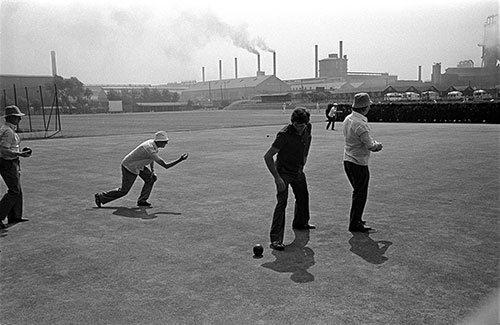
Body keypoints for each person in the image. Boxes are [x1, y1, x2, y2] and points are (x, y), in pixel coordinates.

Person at [264, 107, 315, 251]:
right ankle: (276, 239)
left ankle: (301, 222)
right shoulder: (284, 135)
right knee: (282, 203)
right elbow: (268, 156)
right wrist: (277, 178)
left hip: (297, 170)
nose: (300, 128)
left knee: (303, 196)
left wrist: (305, 156)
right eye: (297, 125)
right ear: (292, 122)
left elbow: (308, 139)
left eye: (303, 125)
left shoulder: (307, 127)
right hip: (283, 172)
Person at [94, 131, 188, 208]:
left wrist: (152, 171)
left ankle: (142, 200)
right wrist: (180, 160)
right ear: (159, 142)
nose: (166, 143)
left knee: (151, 178)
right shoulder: (149, 149)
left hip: (139, 165)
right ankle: (100, 197)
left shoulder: (153, 144)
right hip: (129, 166)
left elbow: (151, 159)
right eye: (165, 141)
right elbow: (165, 165)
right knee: (124, 190)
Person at [342, 93, 383, 232]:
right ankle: (355, 222)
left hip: (348, 159)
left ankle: (356, 219)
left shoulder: (348, 119)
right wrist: (378, 145)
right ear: (365, 107)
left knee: (358, 192)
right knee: (360, 193)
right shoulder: (360, 124)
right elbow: (370, 145)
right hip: (358, 163)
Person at [0, 105, 32, 229]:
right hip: (8, 162)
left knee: (17, 189)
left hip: (10, 162)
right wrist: (20, 154)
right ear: (12, 118)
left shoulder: (6, 129)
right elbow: (4, 150)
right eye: (18, 117)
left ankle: (15, 216)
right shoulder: (8, 131)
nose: (20, 120)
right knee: (14, 190)